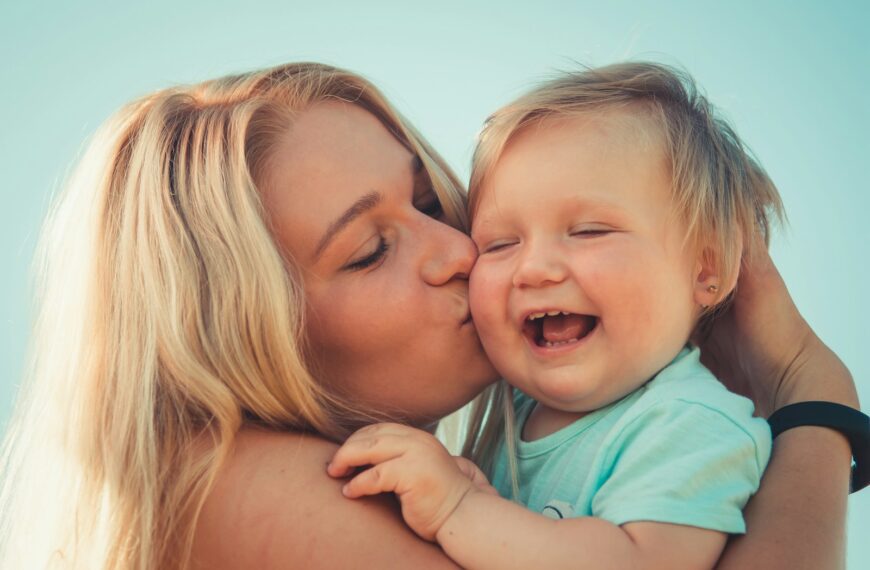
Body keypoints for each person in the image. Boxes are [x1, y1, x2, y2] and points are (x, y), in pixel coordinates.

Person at [0, 62, 858, 570]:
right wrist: (815, 403)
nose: (459, 252)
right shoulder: (237, 483)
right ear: (237, 336)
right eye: (370, 250)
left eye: (427, 202)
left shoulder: (542, 431)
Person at [327, 62, 784, 569]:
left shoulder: (692, 421)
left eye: (589, 231)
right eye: (500, 244)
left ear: (707, 268)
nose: (534, 269)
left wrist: (459, 506)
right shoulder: (510, 413)